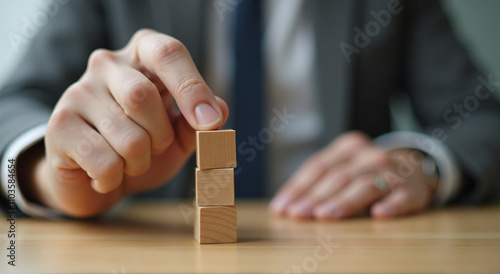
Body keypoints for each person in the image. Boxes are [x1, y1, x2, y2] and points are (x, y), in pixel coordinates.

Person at [1, 0, 500, 220]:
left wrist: (423, 163)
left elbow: (480, 117)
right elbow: (11, 109)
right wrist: (53, 176)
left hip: (344, 241)